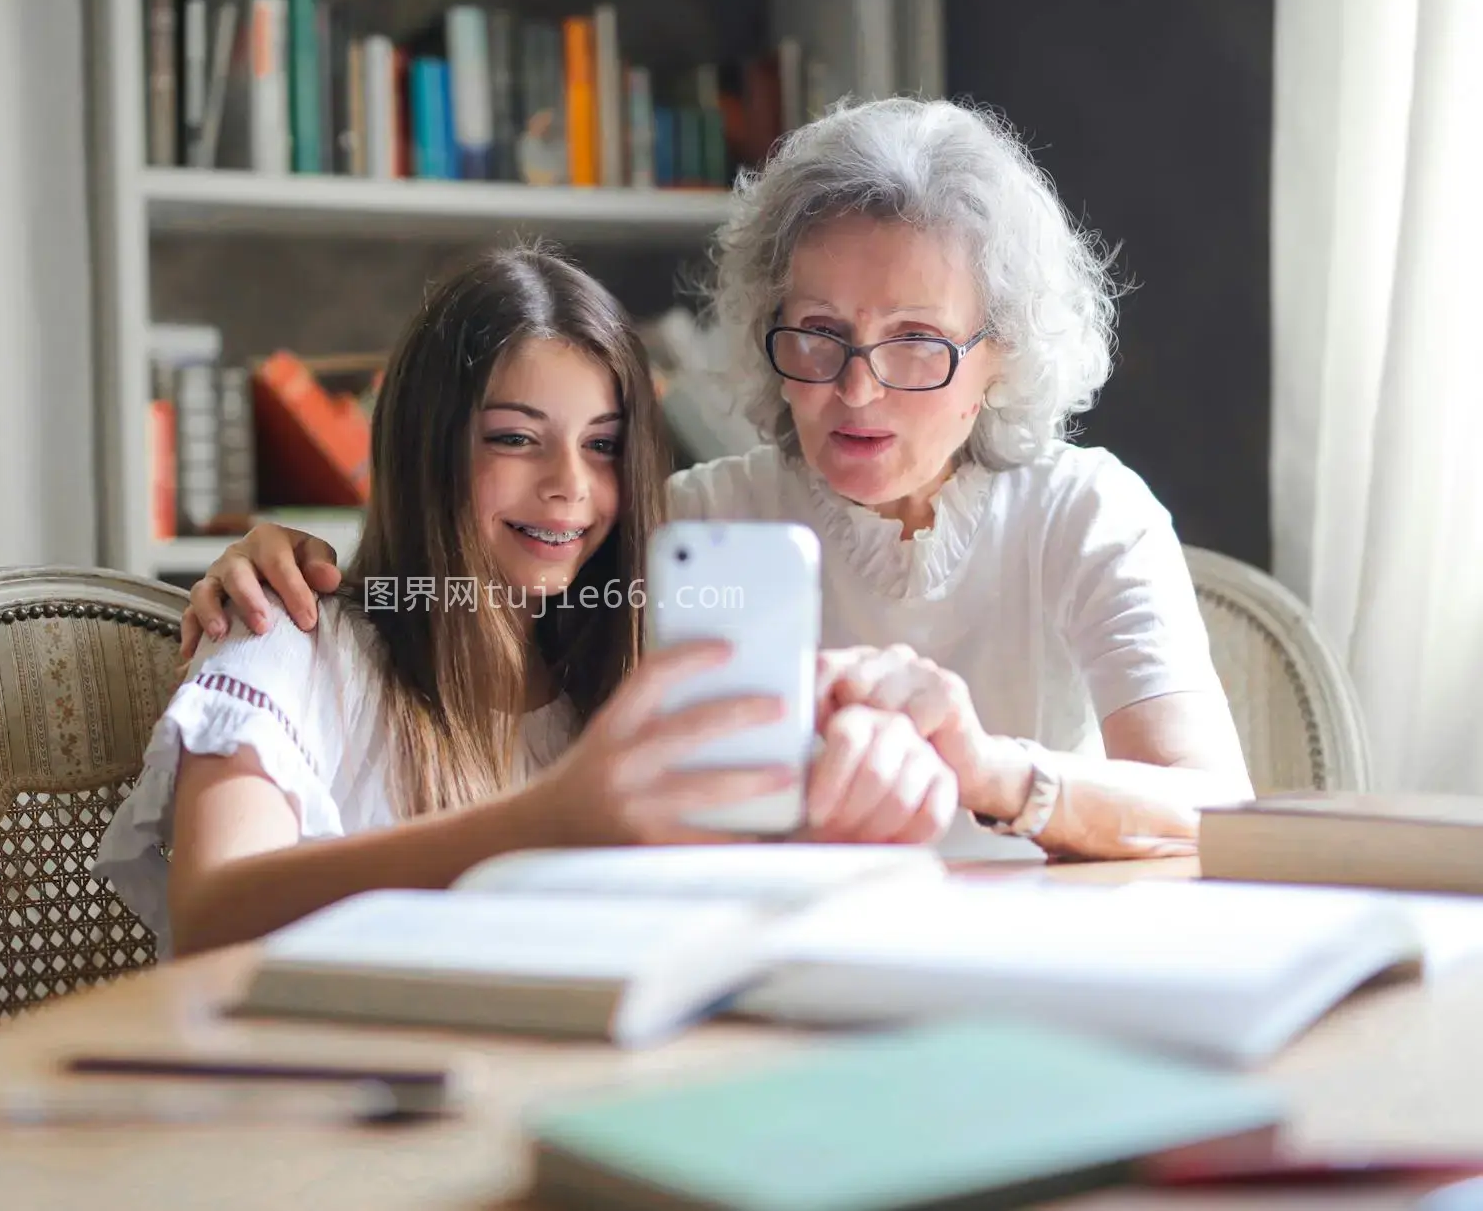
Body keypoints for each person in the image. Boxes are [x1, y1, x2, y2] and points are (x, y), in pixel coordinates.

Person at [178, 98, 1254, 863]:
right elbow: (468, 594)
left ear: (1000, 355)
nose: (856, 390)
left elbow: (1214, 809)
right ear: (762, 326)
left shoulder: (1085, 510)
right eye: (818, 334)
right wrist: (292, 564)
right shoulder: (689, 523)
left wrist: (989, 770)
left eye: (916, 342)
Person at [93, 246, 958, 958]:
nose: (569, 489)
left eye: (604, 446)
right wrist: (544, 822)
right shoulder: (289, 636)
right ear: (427, 446)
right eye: (515, 439)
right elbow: (210, 913)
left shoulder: (621, 678)